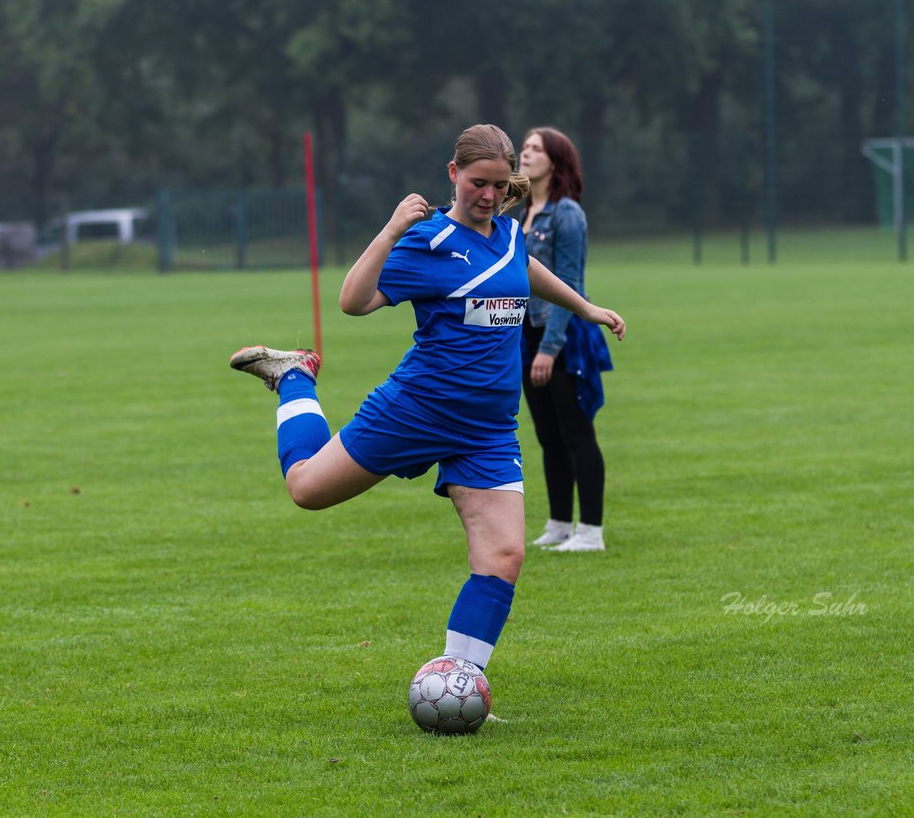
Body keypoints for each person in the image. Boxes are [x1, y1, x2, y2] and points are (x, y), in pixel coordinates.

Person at [229, 124, 625, 677]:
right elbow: (353, 302)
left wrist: (585, 308)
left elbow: (526, 272)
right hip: (414, 411)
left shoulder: (510, 237)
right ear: (453, 174)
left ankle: (460, 681)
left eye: (496, 185)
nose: (486, 196)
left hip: (487, 430)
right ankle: (294, 376)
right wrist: (391, 230)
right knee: (307, 490)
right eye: (475, 183)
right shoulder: (428, 240)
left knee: (504, 556)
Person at [517, 127, 612, 552]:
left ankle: (590, 532)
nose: (525, 154)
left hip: (564, 336)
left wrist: (549, 350)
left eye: (535, 149)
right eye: (524, 148)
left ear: (556, 161)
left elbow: (568, 283)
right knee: (548, 435)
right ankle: (559, 524)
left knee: (577, 433)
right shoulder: (522, 215)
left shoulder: (567, 213)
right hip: (527, 334)